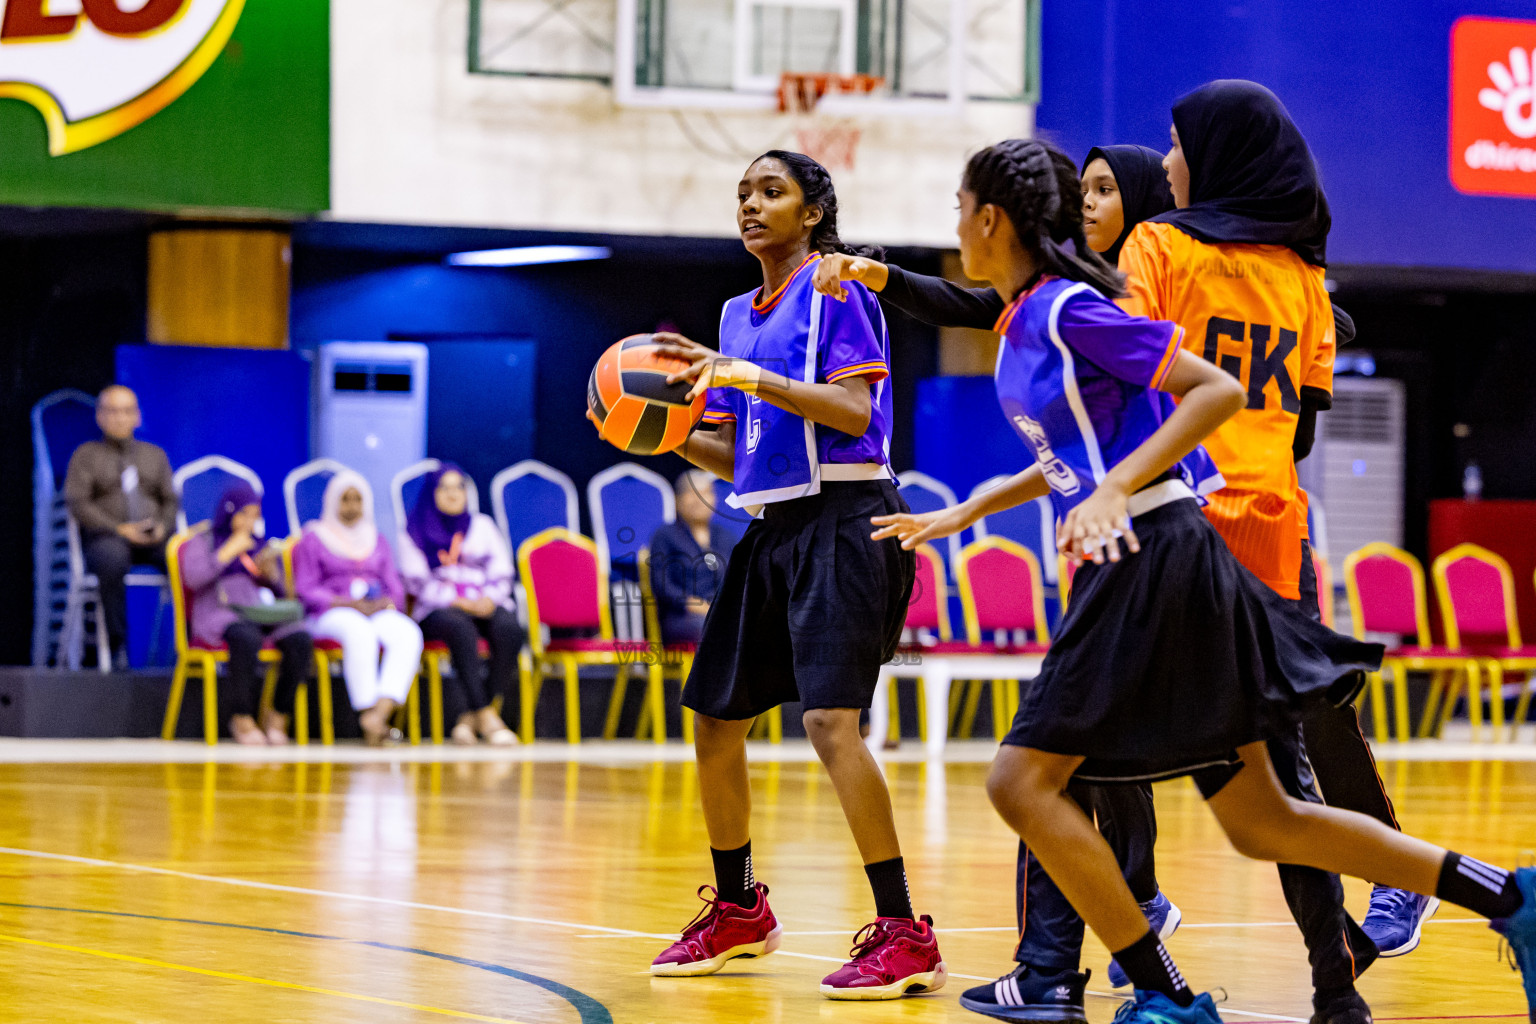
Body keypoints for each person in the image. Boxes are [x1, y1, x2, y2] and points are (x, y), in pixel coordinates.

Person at [871, 135, 1536, 1022]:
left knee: (1020, 782)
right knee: (1264, 820)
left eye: (959, 206)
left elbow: (1213, 391)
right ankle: (1514, 900)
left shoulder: (1069, 310)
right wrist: (967, 511)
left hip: (1152, 558)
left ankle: (1160, 993)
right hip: (1161, 558)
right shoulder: (1025, 318)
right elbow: (1071, 453)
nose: (954, 224)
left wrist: (1112, 489)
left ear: (991, 218)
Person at [633, 150, 944, 1000]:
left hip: (851, 519)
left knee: (832, 725)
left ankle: (905, 930)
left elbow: (853, 412)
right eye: (742, 194)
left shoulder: (838, 287)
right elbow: (735, 454)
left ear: (812, 213)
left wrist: (759, 378)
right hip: (774, 527)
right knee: (712, 717)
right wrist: (653, 431)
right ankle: (738, 909)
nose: (751, 205)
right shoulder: (736, 314)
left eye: (771, 192)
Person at [292, 471, 424, 746]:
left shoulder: (376, 539)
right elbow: (306, 589)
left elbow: (395, 588)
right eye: (345, 499)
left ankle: (379, 714)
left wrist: (384, 604)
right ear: (332, 501)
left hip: (373, 610)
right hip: (331, 612)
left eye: (357, 499)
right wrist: (346, 603)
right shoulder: (313, 538)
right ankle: (365, 709)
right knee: (357, 631)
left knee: (407, 632)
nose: (352, 506)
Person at [178, 482, 314, 745]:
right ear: (229, 512)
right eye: (243, 513)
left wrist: (271, 575)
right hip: (220, 615)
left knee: (300, 639)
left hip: (260, 613)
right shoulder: (203, 540)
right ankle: (241, 717)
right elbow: (193, 579)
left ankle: (277, 714)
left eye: (254, 514)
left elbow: (285, 592)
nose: (249, 521)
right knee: (245, 637)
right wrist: (228, 550)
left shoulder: (258, 545)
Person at [399, 463, 522, 746]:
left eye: (459, 487)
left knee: (510, 629)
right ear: (432, 493)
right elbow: (417, 582)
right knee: (460, 628)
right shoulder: (414, 529)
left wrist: (488, 599)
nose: (453, 494)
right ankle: (487, 717)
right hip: (438, 608)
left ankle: (470, 717)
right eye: (445, 487)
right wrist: (459, 602)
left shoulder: (482, 526)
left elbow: (502, 571)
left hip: (484, 601)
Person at [64, 385, 178, 669]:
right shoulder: (86, 455)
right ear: (100, 416)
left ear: (137, 416)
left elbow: (171, 501)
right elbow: (78, 503)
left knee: (184, 558)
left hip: (152, 538)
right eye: (112, 411)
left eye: (127, 411)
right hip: (108, 539)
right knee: (111, 558)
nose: (120, 418)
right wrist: (118, 528)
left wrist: (163, 527)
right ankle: (117, 646)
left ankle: (194, 639)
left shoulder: (155, 455)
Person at [647, 470, 736, 646]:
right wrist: (697, 605)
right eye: (691, 493)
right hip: (682, 617)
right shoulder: (665, 536)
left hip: (723, 612)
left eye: (705, 493)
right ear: (677, 500)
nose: (699, 500)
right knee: (714, 626)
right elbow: (662, 584)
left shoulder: (726, 537)